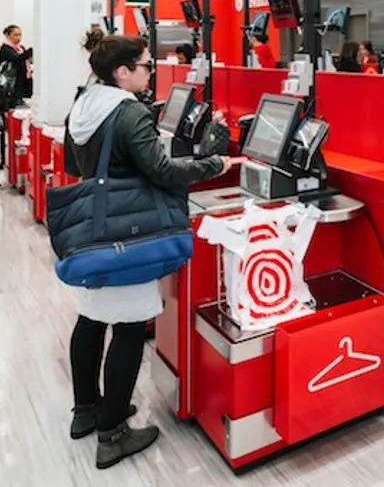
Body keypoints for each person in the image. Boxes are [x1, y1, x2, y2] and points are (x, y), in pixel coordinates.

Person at [64, 36, 234, 469]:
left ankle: (87, 411)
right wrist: (214, 163)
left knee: (91, 319)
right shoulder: (129, 110)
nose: (149, 73)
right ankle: (114, 433)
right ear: (121, 72)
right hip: (130, 229)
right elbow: (160, 171)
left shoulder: (85, 104)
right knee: (128, 326)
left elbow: (72, 162)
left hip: (95, 232)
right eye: (143, 67)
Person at [0, 24, 33, 106]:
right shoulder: (5, 49)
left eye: (20, 35)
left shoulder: (20, 48)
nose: (18, 37)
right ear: (8, 35)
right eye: (15, 35)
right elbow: (17, 58)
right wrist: (30, 52)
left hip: (22, 83)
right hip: (11, 85)